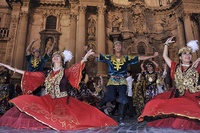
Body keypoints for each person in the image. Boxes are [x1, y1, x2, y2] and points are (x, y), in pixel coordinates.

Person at [0, 49, 117, 131]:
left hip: (63, 101)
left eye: (58, 56)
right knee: (25, 101)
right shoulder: (47, 73)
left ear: (61, 60)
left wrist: (85, 57)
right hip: (48, 100)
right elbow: (30, 74)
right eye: (54, 56)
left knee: (84, 116)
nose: (55, 57)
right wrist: (12, 68)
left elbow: (76, 68)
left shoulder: (66, 72)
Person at [138, 36, 200, 130]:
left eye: (189, 54)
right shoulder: (176, 67)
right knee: (155, 103)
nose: (188, 56)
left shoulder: (196, 67)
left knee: (184, 121)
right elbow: (165, 56)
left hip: (194, 96)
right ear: (180, 57)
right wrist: (166, 44)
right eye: (185, 54)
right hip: (181, 96)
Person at [94, 40, 159, 124]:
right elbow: (98, 55)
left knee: (124, 100)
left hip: (122, 81)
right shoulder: (109, 57)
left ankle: (120, 118)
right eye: (116, 45)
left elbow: (140, 57)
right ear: (114, 47)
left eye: (119, 45)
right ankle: (98, 107)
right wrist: (88, 52)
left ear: (121, 47)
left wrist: (152, 56)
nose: (118, 46)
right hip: (112, 80)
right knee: (110, 97)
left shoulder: (126, 58)